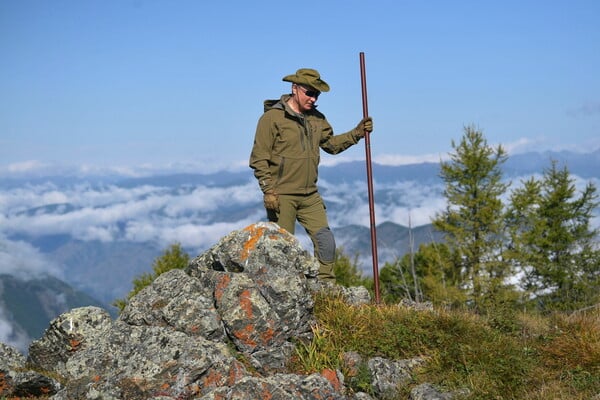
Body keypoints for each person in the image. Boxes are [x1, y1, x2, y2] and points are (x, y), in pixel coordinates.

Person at [249, 68, 373, 282]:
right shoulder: (272, 118)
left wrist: (357, 133)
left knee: (326, 241)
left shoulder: (317, 119)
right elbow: (258, 158)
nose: (313, 98)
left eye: (317, 94)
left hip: (310, 195)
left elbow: (331, 145)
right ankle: (282, 290)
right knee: (282, 249)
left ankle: (326, 287)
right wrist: (268, 190)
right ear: (294, 89)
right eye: (309, 93)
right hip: (281, 196)